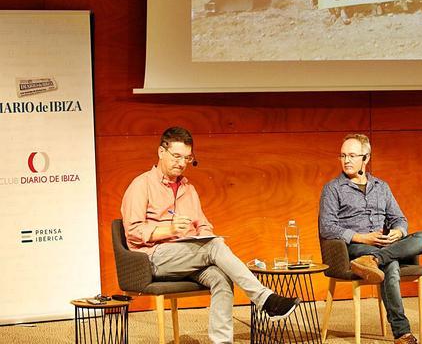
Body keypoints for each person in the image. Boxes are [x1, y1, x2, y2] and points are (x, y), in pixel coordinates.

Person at [121, 127, 300, 344]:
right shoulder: (141, 185)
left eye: (187, 158)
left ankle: (222, 342)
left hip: (188, 256)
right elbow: (132, 231)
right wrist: (169, 230)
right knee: (214, 246)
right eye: (176, 156)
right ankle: (265, 299)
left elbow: (203, 225)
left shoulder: (189, 189)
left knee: (221, 276)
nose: (181, 162)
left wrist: (203, 238)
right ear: (161, 152)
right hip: (153, 259)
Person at [319, 134, 422, 344]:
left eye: (352, 155)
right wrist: (363, 238)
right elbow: (327, 227)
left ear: (366, 158)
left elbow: (399, 218)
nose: (347, 160)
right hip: (355, 249)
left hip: (383, 245)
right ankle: (402, 333)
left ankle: (376, 261)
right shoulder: (333, 189)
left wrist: (398, 231)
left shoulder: (381, 186)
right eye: (343, 155)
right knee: (392, 263)